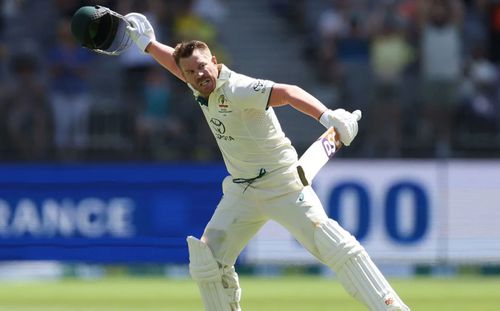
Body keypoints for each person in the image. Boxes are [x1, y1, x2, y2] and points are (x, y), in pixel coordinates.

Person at [125, 13, 410, 311]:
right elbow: (176, 62)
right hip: (242, 191)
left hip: (282, 185)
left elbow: (288, 93)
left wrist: (328, 116)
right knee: (207, 261)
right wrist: (148, 44)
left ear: (215, 61)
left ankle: (390, 306)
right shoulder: (197, 83)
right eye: (191, 73)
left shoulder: (238, 89)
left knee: (332, 244)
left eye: (202, 67)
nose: (198, 75)